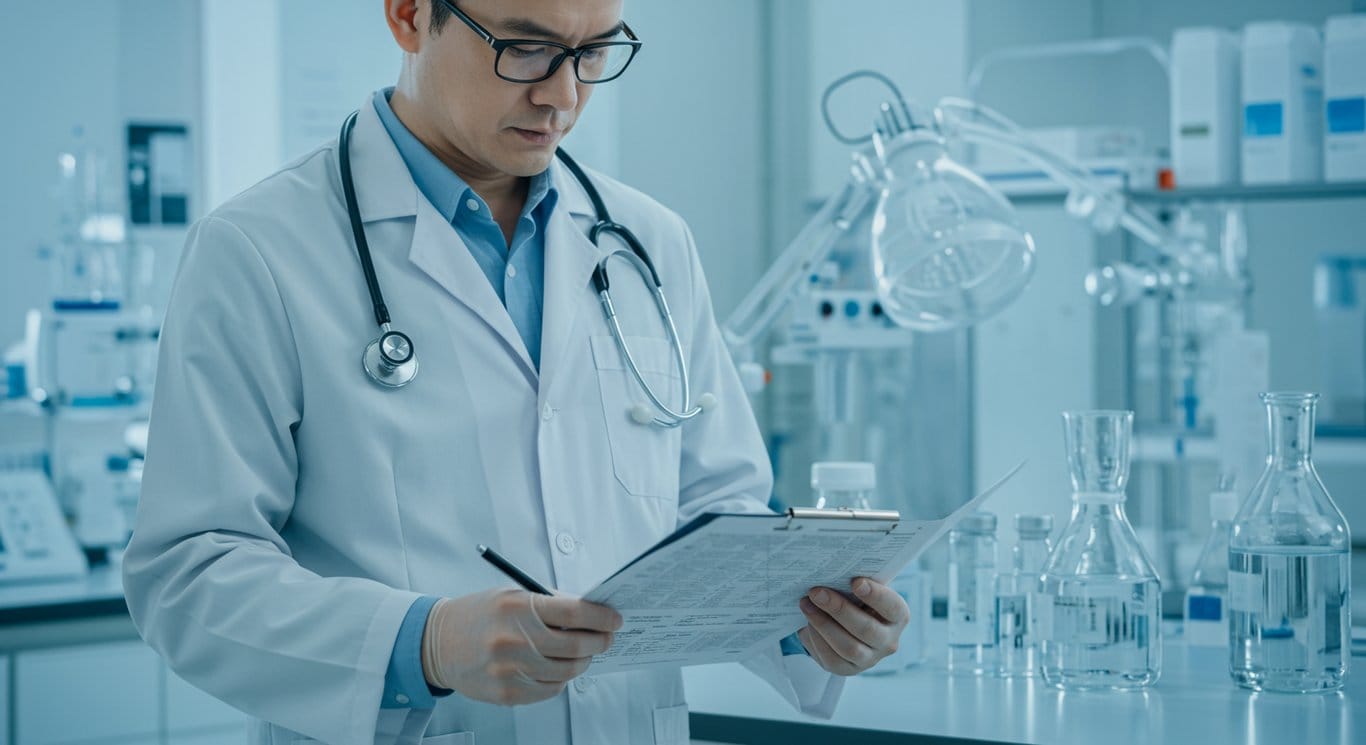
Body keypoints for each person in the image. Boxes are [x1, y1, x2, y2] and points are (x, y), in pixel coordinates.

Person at [122, 1, 910, 743]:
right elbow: (187, 574)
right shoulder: (259, 250)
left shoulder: (648, 239)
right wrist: (422, 640)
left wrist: (803, 620)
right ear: (407, 13)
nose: (561, 96)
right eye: (525, 49)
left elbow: (713, 502)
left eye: (593, 52)